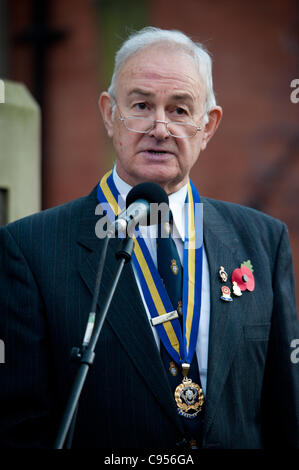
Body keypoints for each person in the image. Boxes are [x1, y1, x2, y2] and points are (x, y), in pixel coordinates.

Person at [0, 26, 298, 450]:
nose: (159, 127)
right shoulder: (30, 250)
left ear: (208, 126)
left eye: (180, 110)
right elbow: (21, 428)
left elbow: (287, 414)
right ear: (109, 113)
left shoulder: (263, 242)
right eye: (141, 105)